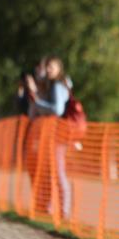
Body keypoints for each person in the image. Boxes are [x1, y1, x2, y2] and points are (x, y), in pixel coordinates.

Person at [30, 56, 72, 218]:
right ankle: (51, 208)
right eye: (47, 66)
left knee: (59, 172)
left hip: (58, 136)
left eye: (51, 67)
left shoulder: (56, 86)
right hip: (53, 135)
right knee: (51, 171)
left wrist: (37, 101)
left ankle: (64, 211)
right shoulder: (53, 85)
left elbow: (57, 109)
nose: (48, 70)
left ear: (59, 69)